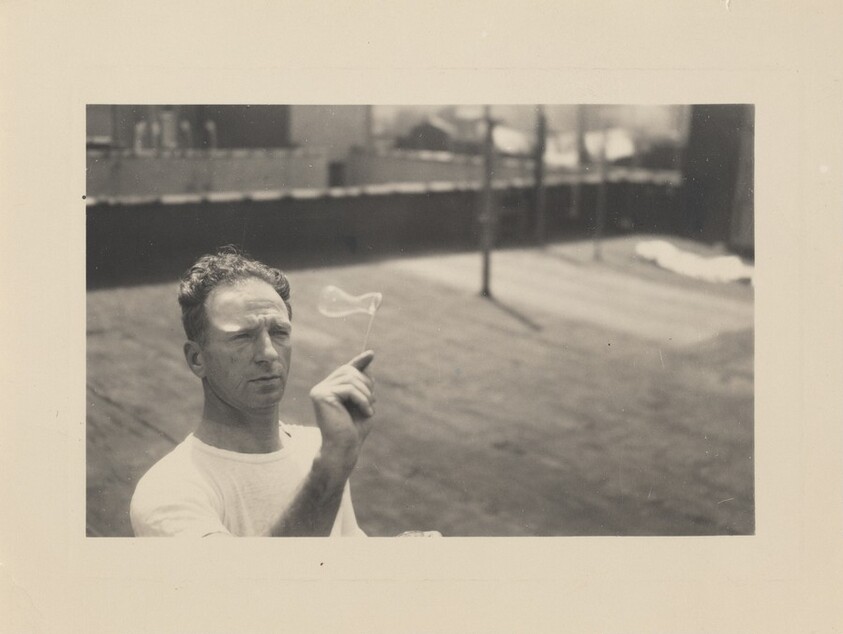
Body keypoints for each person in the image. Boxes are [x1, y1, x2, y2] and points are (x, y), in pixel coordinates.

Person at [130, 248, 376, 537]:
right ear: (197, 359)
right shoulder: (169, 490)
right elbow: (253, 581)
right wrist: (330, 468)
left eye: (279, 333)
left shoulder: (317, 447)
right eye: (243, 336)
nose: (268, 353)